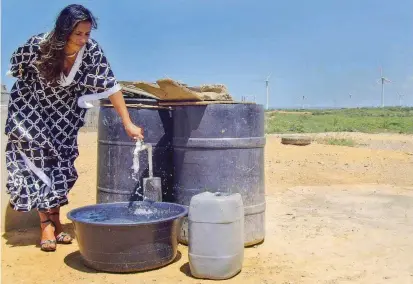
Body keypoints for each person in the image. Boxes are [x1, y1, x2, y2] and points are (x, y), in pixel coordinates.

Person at [4, 4, 144, 252]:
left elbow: (111, 87)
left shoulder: (91, 53)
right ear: (64, 31)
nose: (83, 39)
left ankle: (56, 219)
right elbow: (16, 67)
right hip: (31, 106)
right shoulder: (39, 45)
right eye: (78, 34)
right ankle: (46, 224)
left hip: (64, 113)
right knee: (40, 157)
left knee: (62, 163)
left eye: (87, 34)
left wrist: (128, 123)